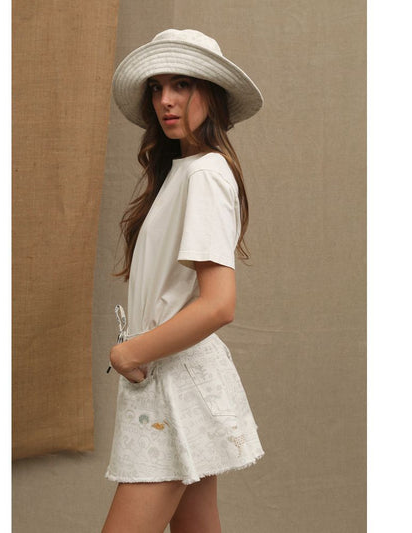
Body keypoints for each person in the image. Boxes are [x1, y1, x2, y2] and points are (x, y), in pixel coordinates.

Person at [102, 29, 265, 533]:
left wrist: (129, 353)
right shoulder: (185, 170)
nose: (165, 100)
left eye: (182, 85)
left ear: (211, 93)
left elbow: (218, 305)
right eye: (157, 87)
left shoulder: (205, 174)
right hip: (169, 377)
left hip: (173, 377)